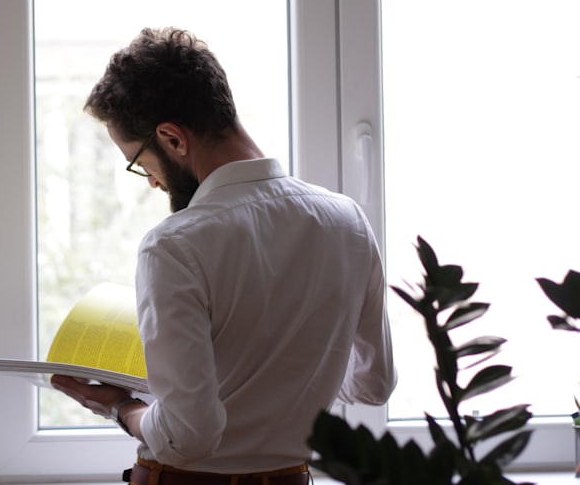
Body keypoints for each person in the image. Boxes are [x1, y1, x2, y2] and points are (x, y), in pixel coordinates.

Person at [51, 27, 396, 485]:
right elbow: (374, 384)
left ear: (173, 138)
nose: (152, 181)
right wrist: (290, 380)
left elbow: (189, 436)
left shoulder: (175, 245)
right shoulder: (346, 221)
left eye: (139, 162)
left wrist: (118, 405)